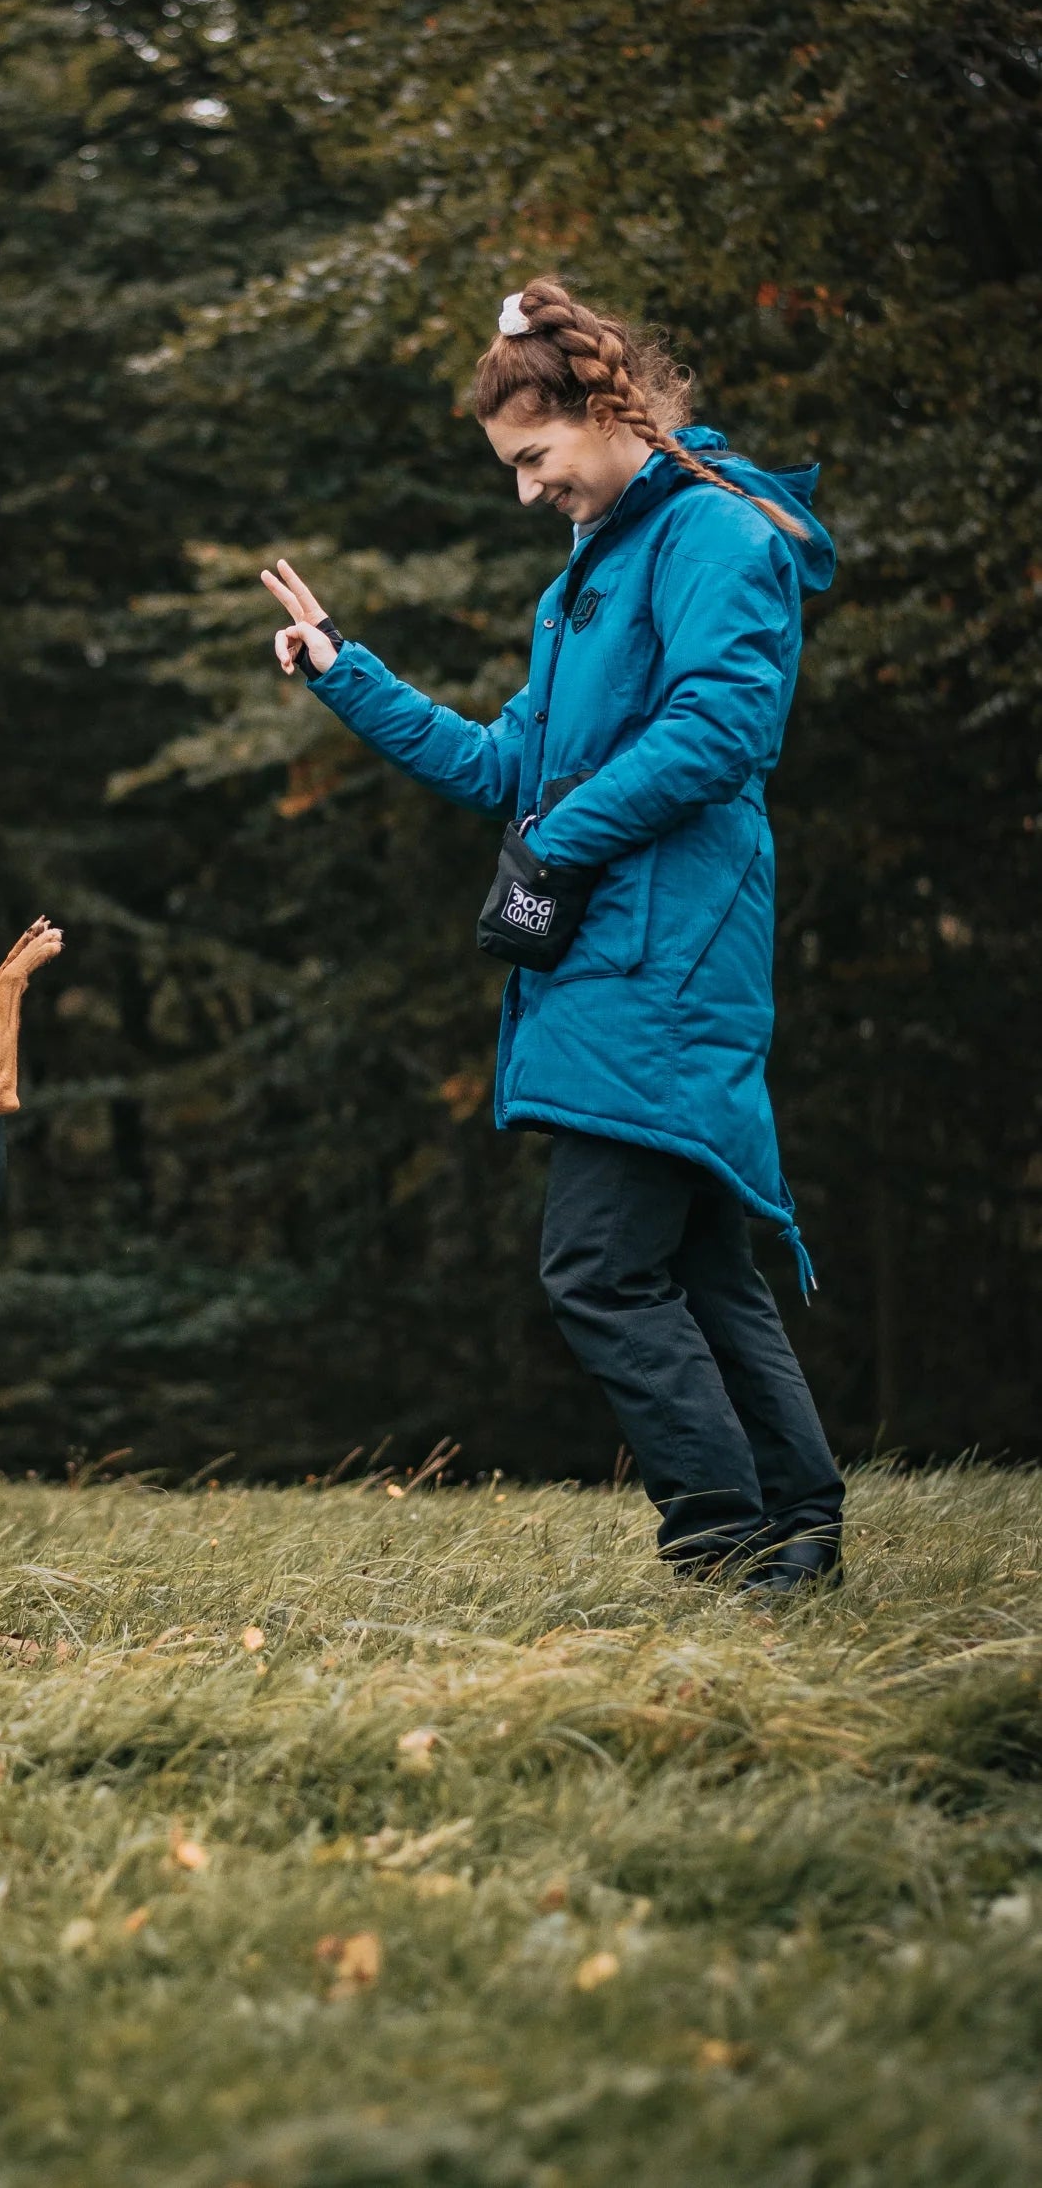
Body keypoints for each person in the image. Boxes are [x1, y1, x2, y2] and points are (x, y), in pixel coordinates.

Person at [262, 278, 845, 1594]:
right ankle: (799, 1529)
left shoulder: (714, 537)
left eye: (534, 460)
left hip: (671, 954)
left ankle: (723, 1533)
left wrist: (561, 840)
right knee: (696, 1262)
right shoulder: (583, 582)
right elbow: (497, 767)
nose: (527, 492)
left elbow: (723, 732)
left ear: (598, 408)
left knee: (594, 1263)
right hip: (609, 959)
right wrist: (344, 669)